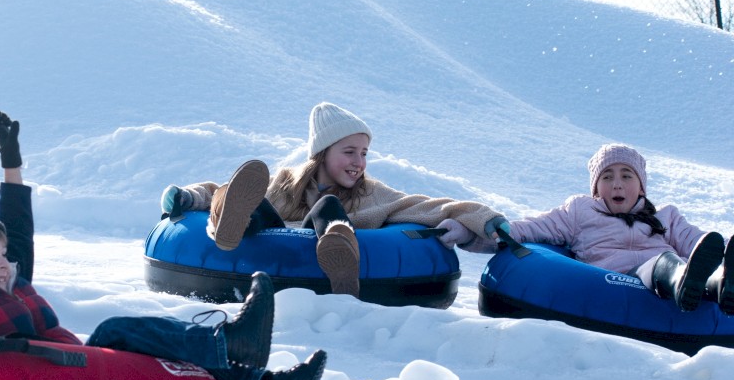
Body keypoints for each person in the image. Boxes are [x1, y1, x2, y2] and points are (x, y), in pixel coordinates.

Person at [0, 111, 327, 380]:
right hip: (47, 373)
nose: (4, 262)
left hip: (68, 361)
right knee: (115, 330)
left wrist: (11, 162)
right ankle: (230, 340)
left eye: (2, 253)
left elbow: (18, 227)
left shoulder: (11, 281)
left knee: (143, 347)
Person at [160, 102, 506, 297]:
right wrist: (187, 197)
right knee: (250, 199)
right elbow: (220, 189)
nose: (359, 163)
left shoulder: (373, 194)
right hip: (271, 236)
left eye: (364, 153)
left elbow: (428, 206)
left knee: (327, 207)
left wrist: (483, 218)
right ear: (322, 153)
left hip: (321, 243)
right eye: (349, 152)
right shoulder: (283, 184)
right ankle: (228, 225)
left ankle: (339, 247)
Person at [486, 143, 733, 314]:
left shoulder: (666, 216)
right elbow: (537, 226)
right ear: (595, 188)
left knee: (689, 264)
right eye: (607, 177)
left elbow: (698, 244)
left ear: (641, 187)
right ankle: (683, 283)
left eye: (626, 176)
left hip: (675, 270)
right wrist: (497, 229)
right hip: (619, 279)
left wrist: (721, 252)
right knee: (662, 262)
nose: (616, 185)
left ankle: (719, 286)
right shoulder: (580, 211)